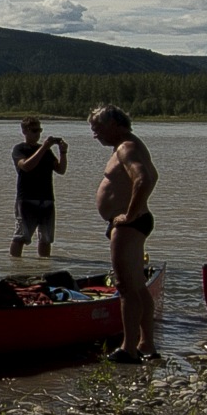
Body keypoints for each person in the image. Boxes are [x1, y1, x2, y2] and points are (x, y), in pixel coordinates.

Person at [87, 104, 159, 360]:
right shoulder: (129, 145)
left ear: (115, 125)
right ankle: (146, 344)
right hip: (132, 222)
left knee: (126, 287)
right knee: (138, 287)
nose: (95, 134)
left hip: (129, 224)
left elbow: (145, 179)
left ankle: (128, 348)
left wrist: (128, 215)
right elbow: (154, 175)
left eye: (98, 128)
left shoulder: (127, 147)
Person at [9, 118, 67, 260]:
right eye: (34, 131)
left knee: (46, 239)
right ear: (24, 131)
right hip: (27, 199)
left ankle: (44, 266)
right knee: (21, 236)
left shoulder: (46, 152)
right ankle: (15, 265)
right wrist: (44, 148)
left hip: (47, 199)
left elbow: (60, 170)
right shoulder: (20, 149)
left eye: (39, 130)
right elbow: (26, 166)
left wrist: (63, 153)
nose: (37, 134)